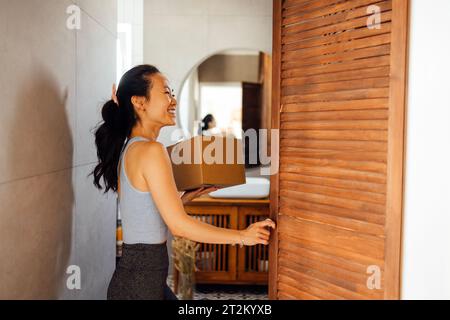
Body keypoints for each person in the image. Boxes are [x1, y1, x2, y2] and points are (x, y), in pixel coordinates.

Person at [90, 65, 276, 300]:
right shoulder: (151, 150)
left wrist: (184, 198)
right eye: (166, 92)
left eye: (173, 93)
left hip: (142, 282)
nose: (174, 101)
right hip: (140, 288)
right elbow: (179, 226)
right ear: (139, 102)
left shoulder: (132, 148)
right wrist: (243, 236)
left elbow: (144, 214)